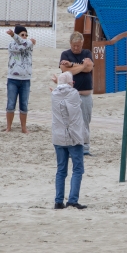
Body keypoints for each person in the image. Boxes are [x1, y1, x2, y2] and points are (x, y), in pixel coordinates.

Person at [51, 72, 87, 209]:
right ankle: (72, 199)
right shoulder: (74, 94)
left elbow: (62, 92)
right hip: (73, 136)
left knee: (61, 170)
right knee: (77, 169)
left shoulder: (54, 94)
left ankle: (58, 201)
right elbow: (74, 108)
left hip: (58, 136)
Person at [60, 32, 94, 155]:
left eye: (78, 45)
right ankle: (71, 148)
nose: (76, 48)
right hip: (71, 95)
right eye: (74, 45)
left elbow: (89, 67)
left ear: (82, 44)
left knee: (85, 121)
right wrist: (81, 66)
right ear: (70, 44)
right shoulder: (65, 54)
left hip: (85, 94)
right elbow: (65, 71)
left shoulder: (87, 53)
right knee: (71, 122)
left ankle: (85, 148)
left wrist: (72, 65)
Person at [5, 26, 36, 133]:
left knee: (24, 104)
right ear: (17, 35)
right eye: (22, 35)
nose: (25, 37)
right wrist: (14, 36)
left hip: (26, 79)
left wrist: (27, 42)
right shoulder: (11, 44)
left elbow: (25, 45)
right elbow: (21, 47)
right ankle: (8, 127)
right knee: (10, 104)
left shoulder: (29, 45)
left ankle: (24, 128)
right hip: (13, 78)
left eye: (26, 35)